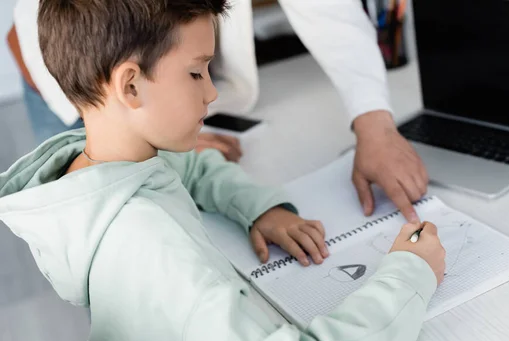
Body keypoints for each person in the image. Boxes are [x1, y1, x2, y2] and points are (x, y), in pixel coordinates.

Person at [0, 1, 446, 341]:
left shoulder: (101, 172)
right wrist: (409, 274)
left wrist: (256, 206)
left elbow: (190, 166)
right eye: (197, 72)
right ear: (130, 86)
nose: (212, 92)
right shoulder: (160, 252)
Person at [8, 0, 429, 222]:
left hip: (146, 86)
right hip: (66, 83)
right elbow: (49, 32)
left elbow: (328, 10)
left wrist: (375, 122)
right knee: (103, 216)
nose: (209, 94)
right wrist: (144, 129)